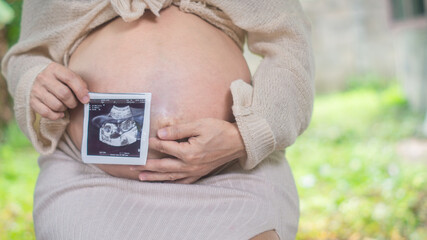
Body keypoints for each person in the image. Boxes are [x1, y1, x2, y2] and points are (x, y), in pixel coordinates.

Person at [1, 0, 314, 239]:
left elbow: (289, 46)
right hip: (89, 177)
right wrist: (35, 80)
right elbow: (28, 54)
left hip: (230, 168)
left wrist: (245, 138)